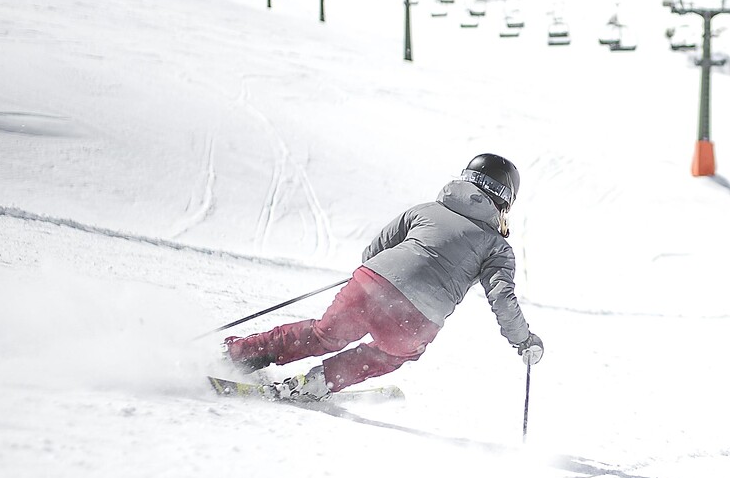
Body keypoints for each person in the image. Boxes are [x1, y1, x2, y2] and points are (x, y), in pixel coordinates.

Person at [223, 153, 544, 402]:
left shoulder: (425, 210)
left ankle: (241, 353)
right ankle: (318, 382)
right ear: (505, 202)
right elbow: (501, 297)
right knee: (395, 352)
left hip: (370, 284)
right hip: (417, 318)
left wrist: (380, 276)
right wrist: (523, 340)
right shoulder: (497, 247)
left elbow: (374, 250)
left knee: (325, 335)